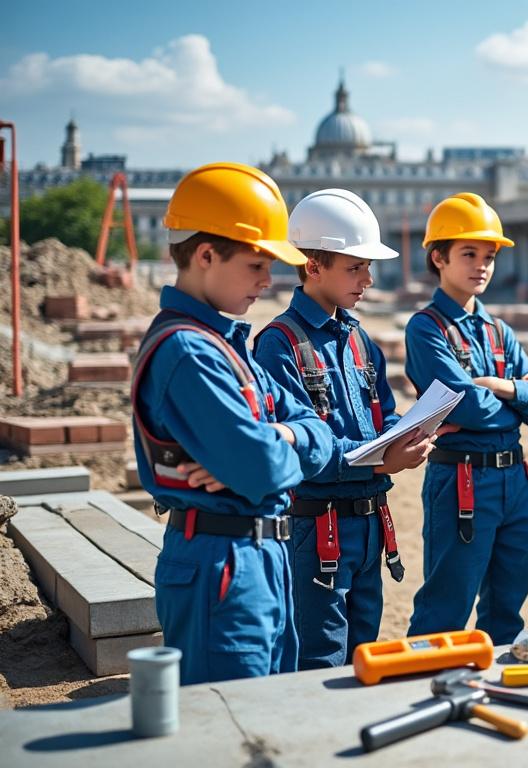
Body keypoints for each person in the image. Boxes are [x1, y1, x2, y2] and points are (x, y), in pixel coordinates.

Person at [132, 162, 333, 683]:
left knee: (269, 723)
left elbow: (320, 433)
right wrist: (269, 449)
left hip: (262, 558)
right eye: (255, 265)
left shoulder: (226, 346)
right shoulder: (187, 352)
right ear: (205, 255)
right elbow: (261, 469)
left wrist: (281, 435)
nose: (269, 283)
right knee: (227, 731)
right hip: (219, 564)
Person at [253, 188, 437, 669]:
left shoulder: (358, 339)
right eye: (355, 267)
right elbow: (303, 448)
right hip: (318, 529)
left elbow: (384, 416)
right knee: (320, 656)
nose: (369, 278)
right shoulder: (279, 345)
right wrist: (385, 456)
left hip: (369, 522)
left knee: (364, 651)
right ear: (313, 266)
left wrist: (408, 433)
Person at [404, 192, 528, 643]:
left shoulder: (498, 330)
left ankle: (491, 689)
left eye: (488, 256)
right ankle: (423, 694)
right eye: (469, 254)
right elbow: (466, 406)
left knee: (508, 607)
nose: (482, 265)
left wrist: (503, 387)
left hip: (513, 482)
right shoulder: (426, 328)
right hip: (462, 482)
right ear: (439, 257)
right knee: (446, 606)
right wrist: (514, 402)